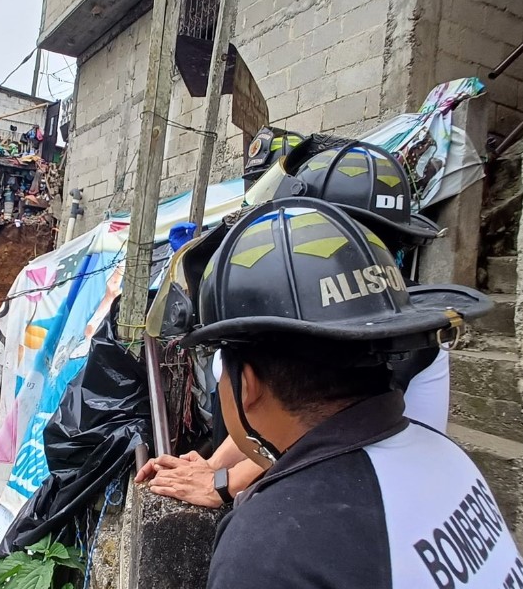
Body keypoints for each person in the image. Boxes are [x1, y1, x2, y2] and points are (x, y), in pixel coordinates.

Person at [180, 197, 523, 587]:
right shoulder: (447, 455)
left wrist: (225, 484)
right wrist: (213, 469)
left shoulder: (274, 546)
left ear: (245, 386)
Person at [139, 140, 452, 507]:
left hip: (372, 499)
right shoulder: (335, 307)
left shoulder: (387, 326)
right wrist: (212, 465)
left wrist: (222, 484)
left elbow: (313, 423)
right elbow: (275, 407)